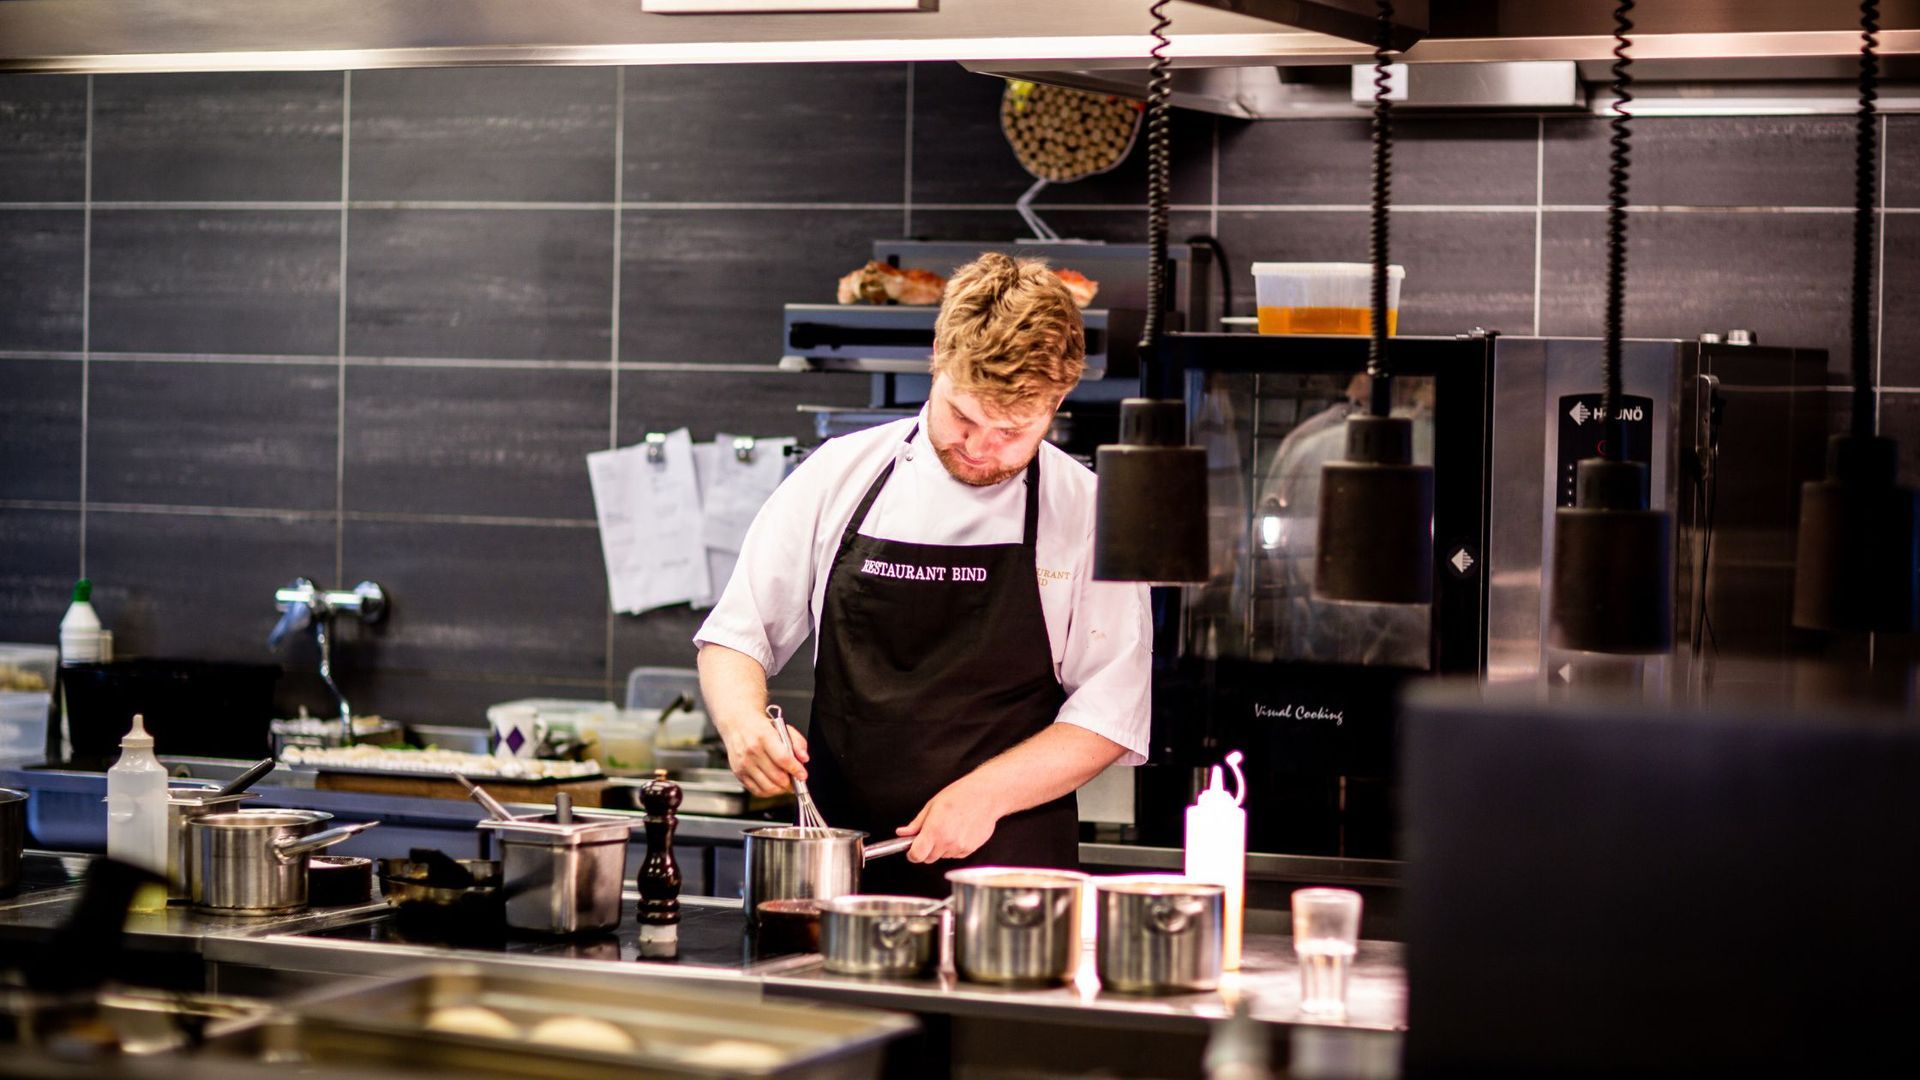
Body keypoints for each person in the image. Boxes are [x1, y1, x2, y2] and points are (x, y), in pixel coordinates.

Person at [694, 253, 1152, 897]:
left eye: (1012, 431)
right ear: (938, 354)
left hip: (1009, 882)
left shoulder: (1087, 511)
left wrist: (986, 795)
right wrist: (743, 722)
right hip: (839, 868)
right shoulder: (839, 475)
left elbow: (1110, 713)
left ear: (1058, 399)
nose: (980, 447)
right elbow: (736, 635)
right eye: (963, 417)